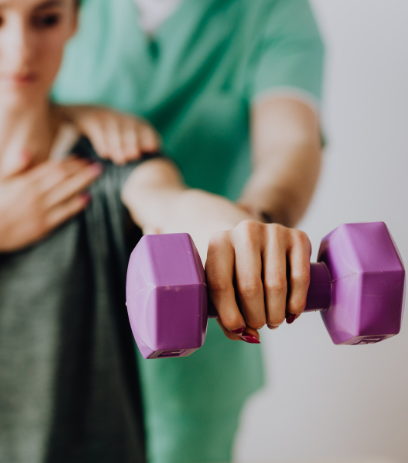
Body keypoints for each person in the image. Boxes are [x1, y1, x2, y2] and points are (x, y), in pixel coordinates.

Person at [0, 0, 315, 461]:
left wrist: (245, 234)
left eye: (46, 19)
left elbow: (175, 204)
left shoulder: (111, 171)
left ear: (74, 18)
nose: (20, 49)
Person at [52, 1, 326, 462]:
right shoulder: (63, 10)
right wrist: (67, 115)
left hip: (201, 345)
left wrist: (248, 232)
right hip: (60, 329)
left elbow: (291, 142)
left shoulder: (272, 11)